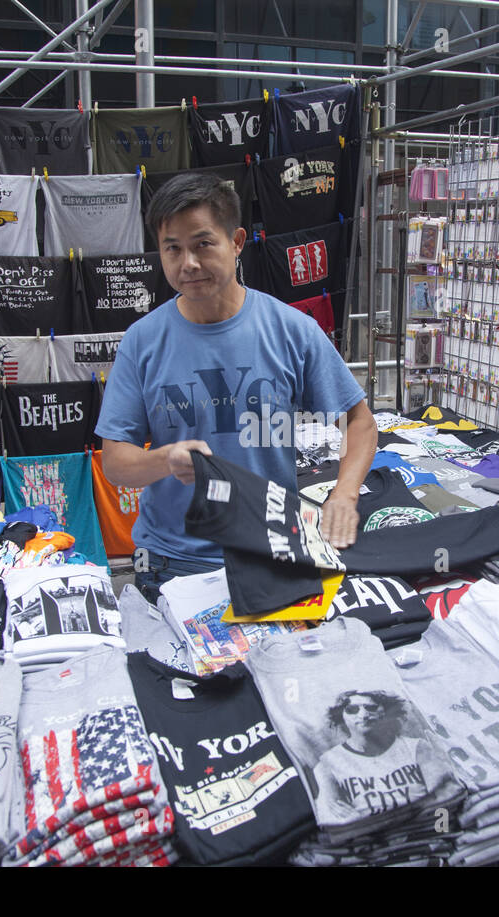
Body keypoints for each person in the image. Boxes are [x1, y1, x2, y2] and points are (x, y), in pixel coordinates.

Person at [97, 173, 376, 601]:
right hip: (171, 565)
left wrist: (344, 494)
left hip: (271, 554)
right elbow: (115, 462)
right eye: (172, 248)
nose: (187, 263)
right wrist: (165, 460)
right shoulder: (142, 341)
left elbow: (359, 422)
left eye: (202, 244)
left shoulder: (291, 331)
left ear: (237, 241)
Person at [310, 690, 439, 824]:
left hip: (429, 831)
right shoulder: (328, 764)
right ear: (341, 716)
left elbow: (445, 796)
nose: (363, 715)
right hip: (376, 841)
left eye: (371, 707)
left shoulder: (417, 748)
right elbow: (331, 821)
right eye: (352, 709)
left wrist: (366, 821)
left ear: (385, 712)